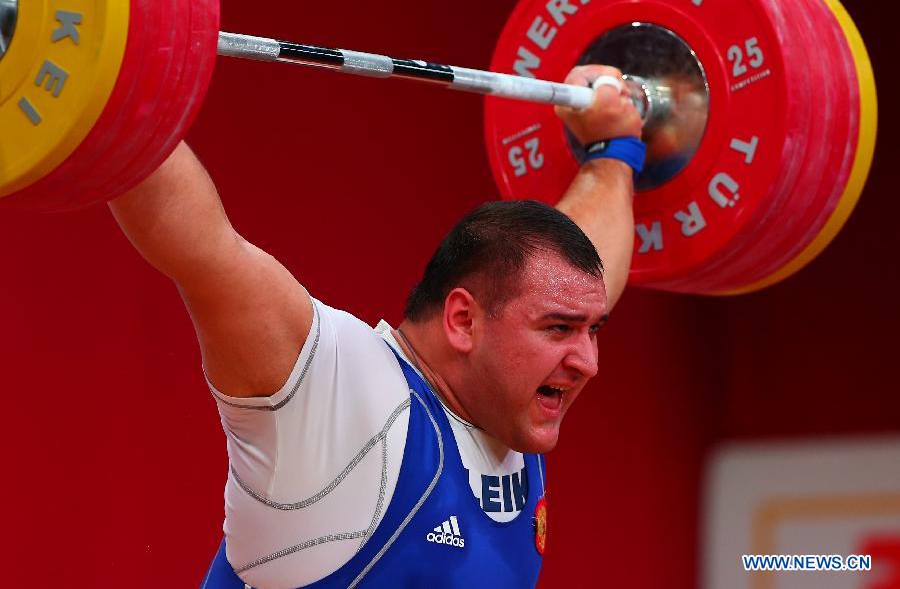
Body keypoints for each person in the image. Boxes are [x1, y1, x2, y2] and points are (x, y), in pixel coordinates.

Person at [110, 65, 643, 588]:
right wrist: (110, 89)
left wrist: (614, 151)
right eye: (558, 329)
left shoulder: (506, 398)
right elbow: (203, 248)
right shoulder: (348, 400)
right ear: (463, 321)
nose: (588, 363)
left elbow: (586, 263)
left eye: (591, 329)